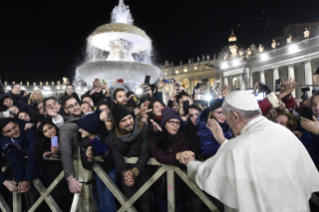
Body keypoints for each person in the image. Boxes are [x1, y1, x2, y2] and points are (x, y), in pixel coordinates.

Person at [183, 91, 319, 212]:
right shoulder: (285, 133)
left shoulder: (236, 147)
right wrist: (224, 143)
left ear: (236, 116)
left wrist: (191, 163)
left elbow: (206, 174)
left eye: (227, 116)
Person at [108, 105, 151, 211]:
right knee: (129, 204)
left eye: (130, 118)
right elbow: (118, 160)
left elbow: (145, 154)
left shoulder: (143, 128)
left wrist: (134, 172)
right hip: (126, 176)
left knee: (145, 202)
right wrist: (126, 174)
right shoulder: (112, 138)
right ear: (117, 123)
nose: (129, 122)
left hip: (143, 171)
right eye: (123, 120)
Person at [149, 107, 192, 212]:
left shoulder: (184, 137)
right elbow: (159, 156)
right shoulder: (156, 138)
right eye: (171, 122)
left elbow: (186, 157)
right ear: (164, 123)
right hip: (162, 182)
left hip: (181, 182)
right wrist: (176, 156)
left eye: (178, 122)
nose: (175, 125)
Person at [78, 112, 117, 212]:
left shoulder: (106, 137)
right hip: (98, 173)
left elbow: (113, 161)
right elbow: (85, 164)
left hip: (111, 171)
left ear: (91, 128)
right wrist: (89, 158)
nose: (79, 130)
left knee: (108, 201)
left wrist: (105, 151)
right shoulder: (84, 141)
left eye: (83, 128)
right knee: (101, 199)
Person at [0, 118, 40, 210]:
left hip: (40, 169)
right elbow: (14, 159)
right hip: (24, 170)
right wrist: (20, 181)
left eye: (14, 127)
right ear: (4, 134)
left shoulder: (29, 132)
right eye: (9, 131)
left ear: (18, 125)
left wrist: (27, 180)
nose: (13, 131)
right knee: (28, 197)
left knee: (38, 200)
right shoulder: (3, 140)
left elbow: (33, 155)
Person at [36, 121, 73, 212]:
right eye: (45, 131)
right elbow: (38, 152)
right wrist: (46, 154)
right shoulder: (42, 143)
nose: (49, 131)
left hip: (69, 174)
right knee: (56, 200)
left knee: (70, 201)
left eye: (50, 127)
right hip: (53, 177)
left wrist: (61, 150)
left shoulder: (65, 137)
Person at [59, 95, 84, 193]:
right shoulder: (66, 128)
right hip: (80, 171)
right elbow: (65, 152)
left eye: (77, 104)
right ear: (66, 110)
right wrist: (70, 177)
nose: (76, 107)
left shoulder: (87, 118)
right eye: (71, 106)